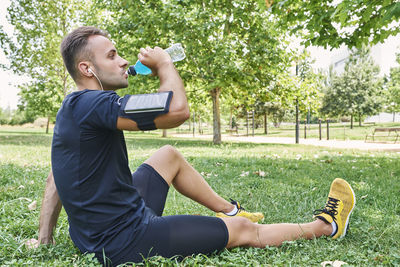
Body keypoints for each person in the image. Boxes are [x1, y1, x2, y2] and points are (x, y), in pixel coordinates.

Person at [31, 26, 356, 266]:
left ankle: (230, 209)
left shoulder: (74, 106)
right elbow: (177, 111)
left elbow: (55, 175)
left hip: (97, 234)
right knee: (244, 232)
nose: (123, 61)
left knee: (167, 155)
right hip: (124, 242)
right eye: (112, 55)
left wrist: (45, 237)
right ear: (87, 69)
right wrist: (165, 65)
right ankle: (327, 226)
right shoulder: (94, 103)